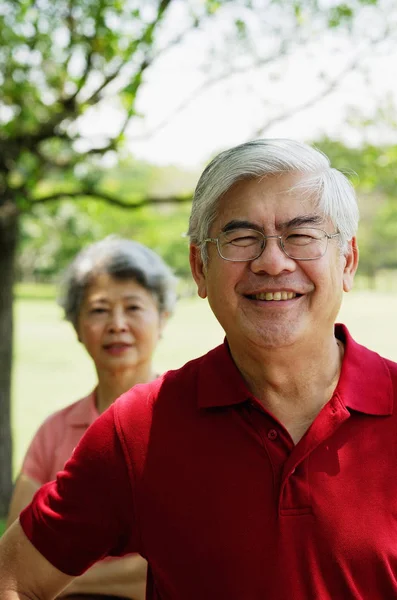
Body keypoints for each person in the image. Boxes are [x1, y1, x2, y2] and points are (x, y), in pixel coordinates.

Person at [1, 139, 397, 600]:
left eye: (301, 236)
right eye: (241, 238)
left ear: (346, 260)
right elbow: (14, 579)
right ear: (199, 268)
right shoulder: (139, 429)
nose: (272, 261)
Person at [4, 236, 177, 600]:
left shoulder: (187, 417)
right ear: (76, 327)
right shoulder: (54, 431)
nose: (117, 324)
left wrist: (63, 578)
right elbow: (16, 558)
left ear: (162, 318)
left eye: (133, 307)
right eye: (98, 310)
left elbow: (186, 560)